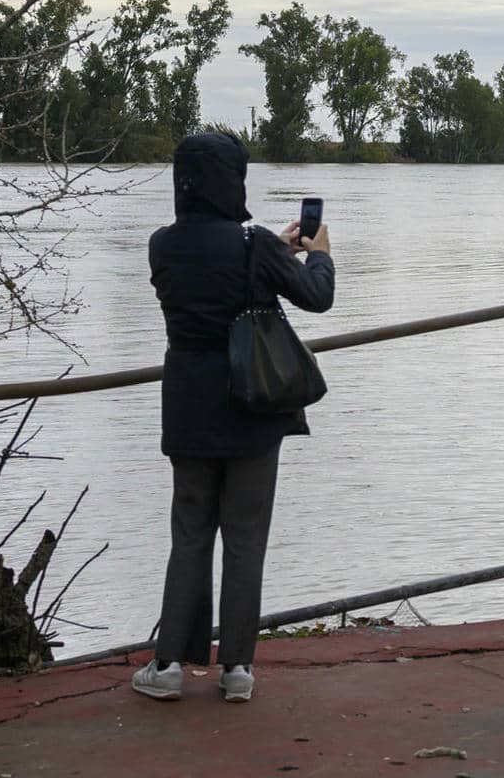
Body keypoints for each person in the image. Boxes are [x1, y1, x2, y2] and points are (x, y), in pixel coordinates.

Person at [133, 131, 334, 703]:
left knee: (190, 535)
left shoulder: (161, 245)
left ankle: (169, 665)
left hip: (188, 409)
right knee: (246, 539)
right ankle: (238, 669)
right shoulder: (254, 246)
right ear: (234, 180)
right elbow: (317, 298)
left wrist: (273, 249)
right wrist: (317, 252)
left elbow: (208, 271)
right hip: (252, 407)